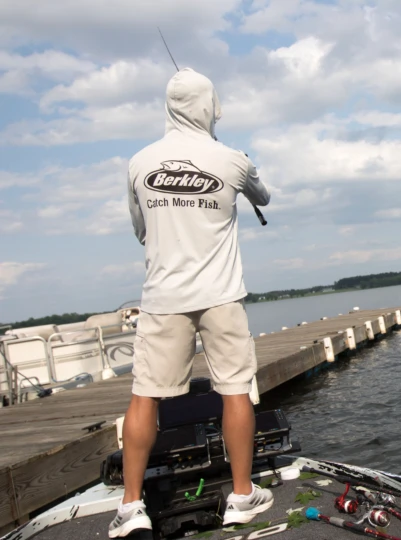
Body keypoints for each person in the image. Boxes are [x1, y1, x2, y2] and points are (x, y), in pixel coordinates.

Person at [109, 68, 273, 538]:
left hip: (162, 298)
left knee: (144, 397)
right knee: (235, 389)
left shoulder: (139, 163)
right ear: (210, 106)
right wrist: (239, 167)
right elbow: (264, 195)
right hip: (222, 296)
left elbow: (140, 230)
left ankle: (131, 506)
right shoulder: (233, 161)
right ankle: (242, 496)